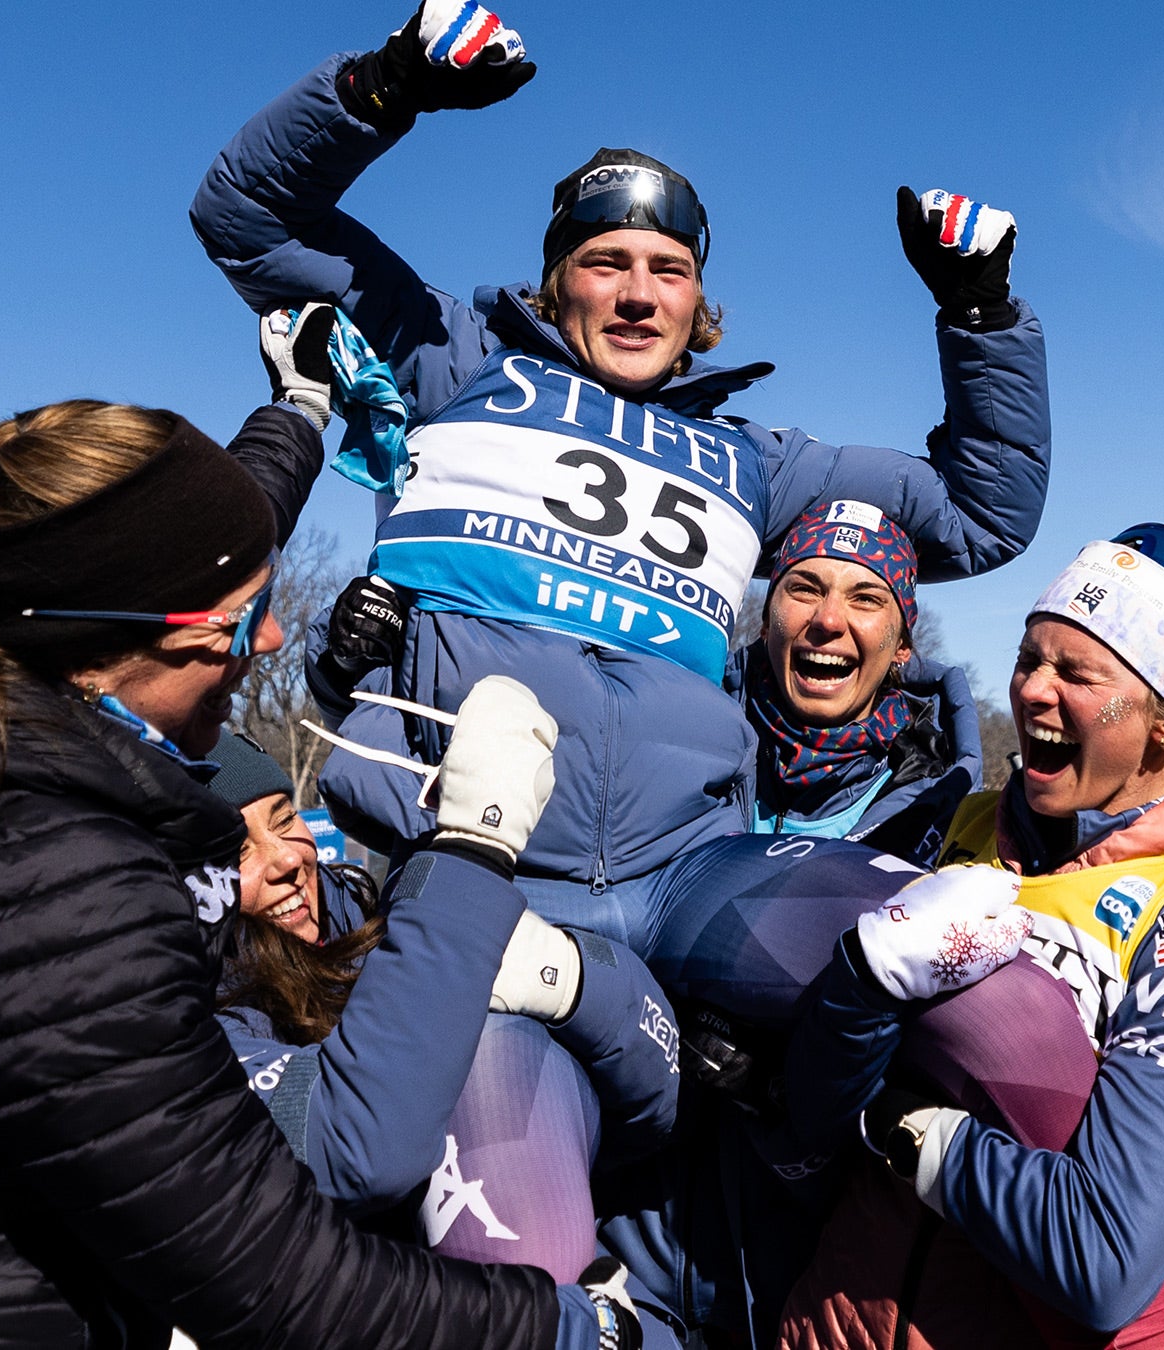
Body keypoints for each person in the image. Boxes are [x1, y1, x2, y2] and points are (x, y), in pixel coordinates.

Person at [0, 401, 656, 1350]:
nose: (274, 640)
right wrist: (575, 1330)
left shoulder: (4, 715)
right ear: (123, 636)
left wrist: (299, 416)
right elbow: (278, 1284)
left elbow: (179, 532)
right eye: (243, 624)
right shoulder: (36, 875)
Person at [192, 0, 1050, 939]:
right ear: (556, 280)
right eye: (606, 262)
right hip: (473, 870)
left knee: (910, 958)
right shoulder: (459, 361)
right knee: (520, 1088)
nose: (639, 294)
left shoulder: (755, 460)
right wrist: (384, 85)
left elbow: (980, 512)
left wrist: (981, 317)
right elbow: (246, 216)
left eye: (669, 269)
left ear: (698, 300)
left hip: (680, 887)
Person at [779, 525, 1164, 1348]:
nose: (1032, 690)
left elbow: (1108, 1261)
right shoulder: (966, 824)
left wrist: (904, 1127)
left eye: (1076, 673)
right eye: (1030, 659)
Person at [207, 725, 682, 1282]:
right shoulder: (195, 1023)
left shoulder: (390, 915)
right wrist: (475, 843)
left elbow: (661, 1096)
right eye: (235, 850)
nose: (285, 859)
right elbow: (354, 1144)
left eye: (285, 819)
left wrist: (566, 976)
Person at [744, 502, 982, 862]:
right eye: (805, 590)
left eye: (866, 599)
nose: (828, 620)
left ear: (901, 646)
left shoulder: (947, 815)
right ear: (766, 625)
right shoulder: (691, 739)